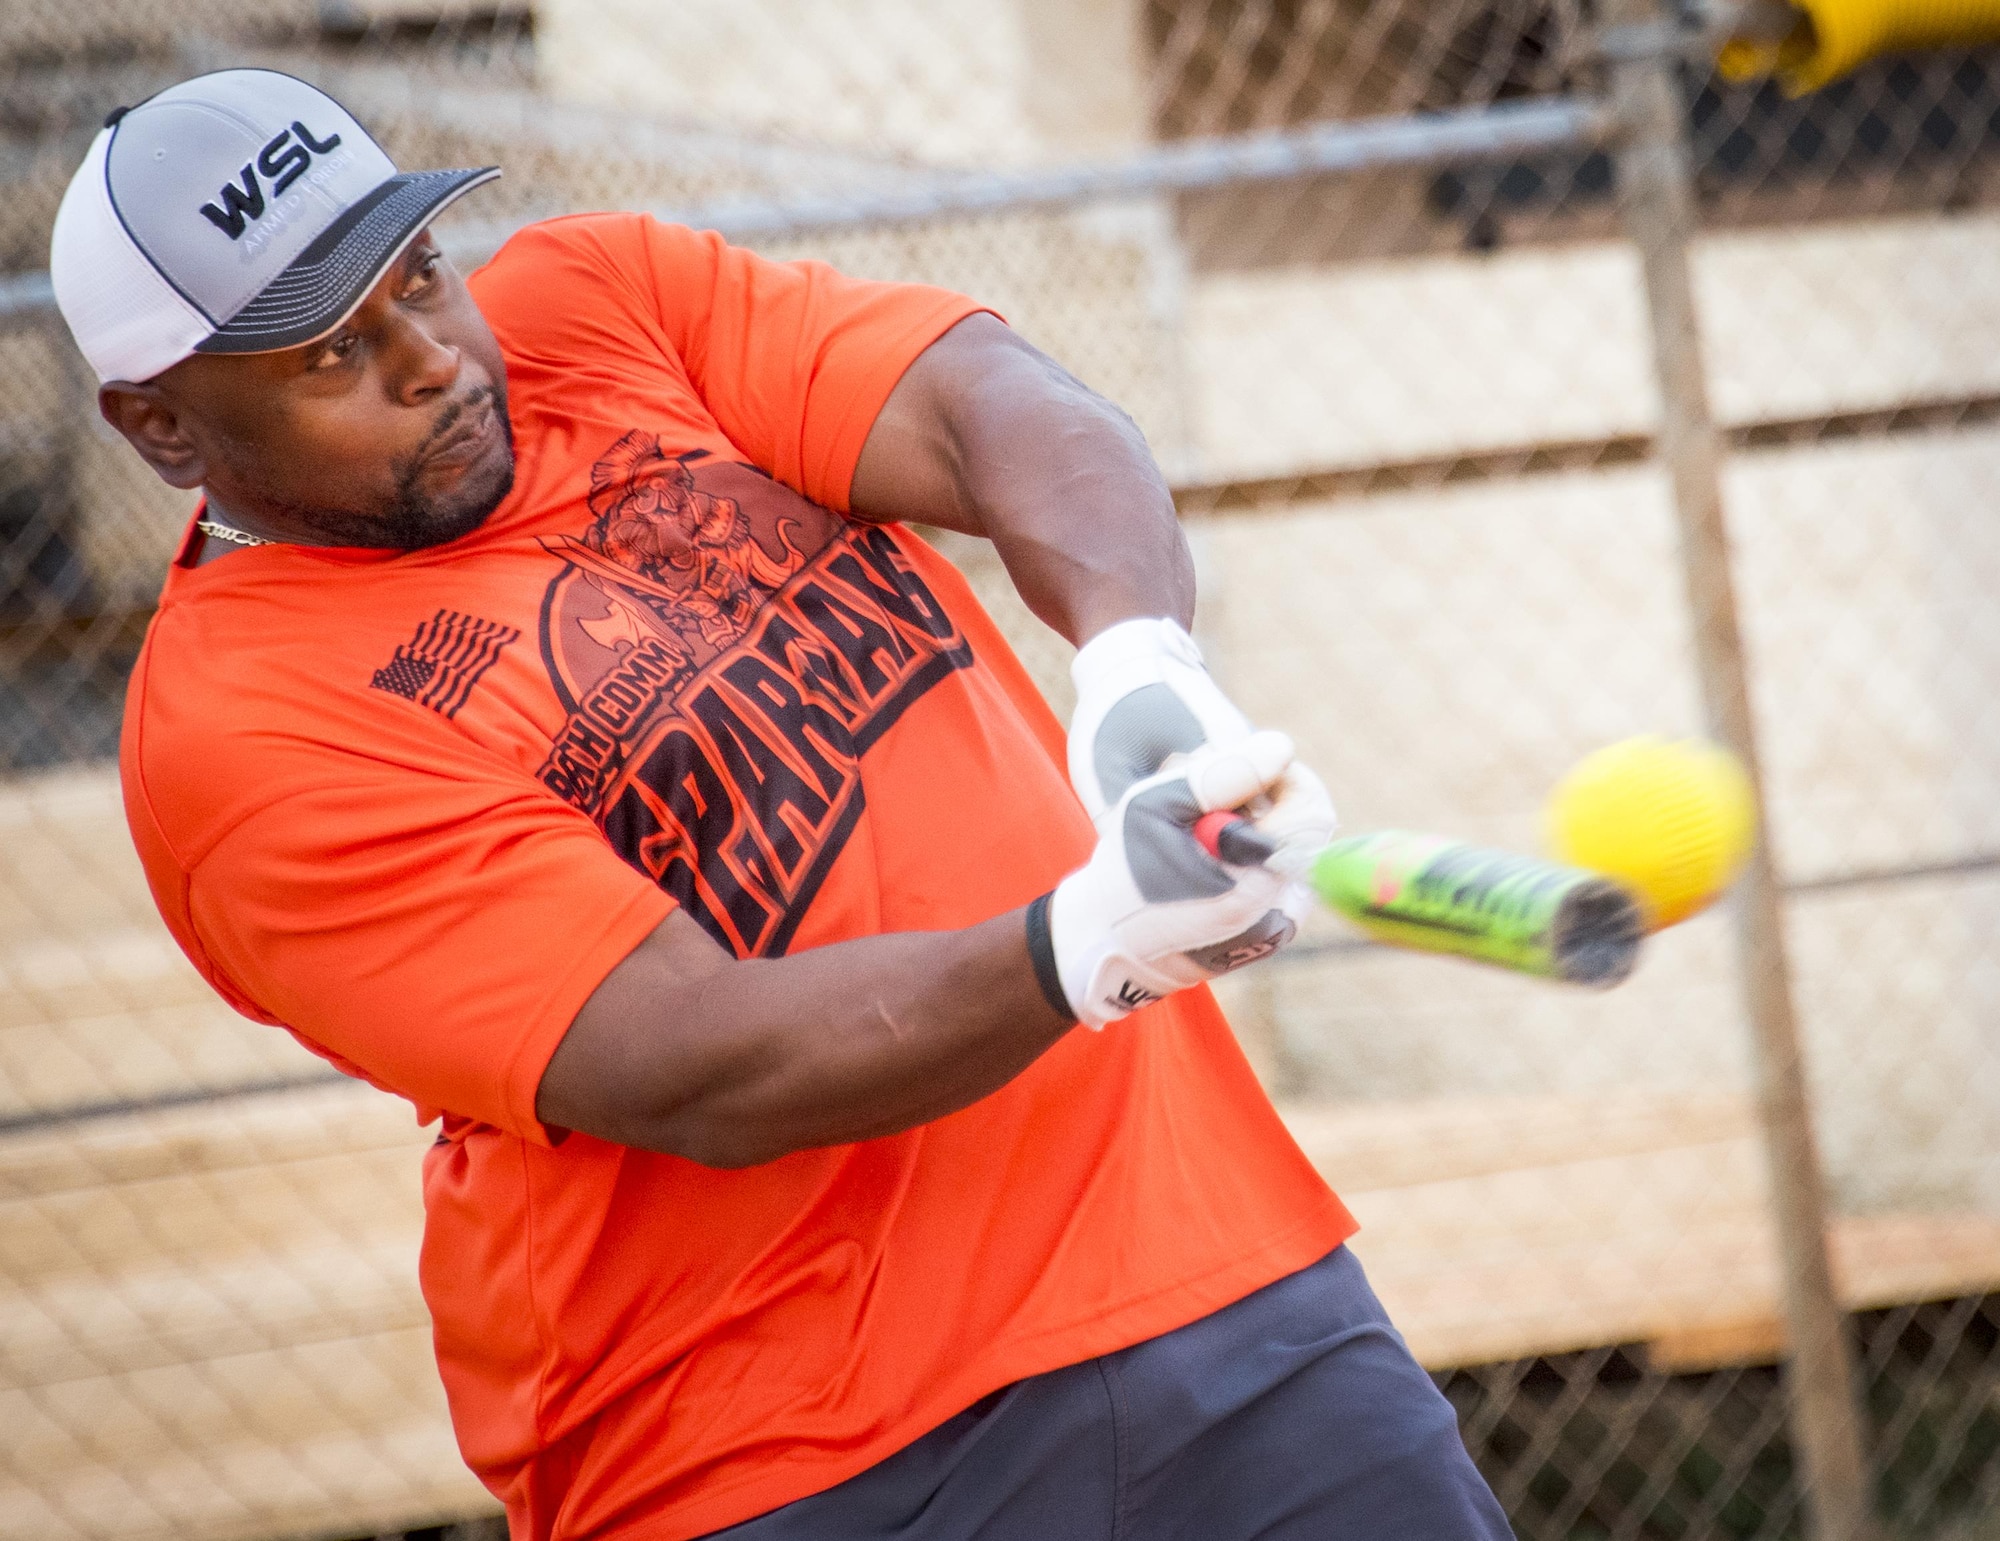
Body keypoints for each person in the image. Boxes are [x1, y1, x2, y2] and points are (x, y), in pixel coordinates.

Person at [52, 68, 1514, 1541]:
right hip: (789, 1453)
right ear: (161, 429)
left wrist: (1143, 661)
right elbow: (688, 1060)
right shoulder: (238, 734)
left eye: (420, 273)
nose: (431, 356)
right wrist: (1090, 941)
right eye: (328, 355)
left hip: (1208, 1270)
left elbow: (980, 403)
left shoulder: (595, 301)